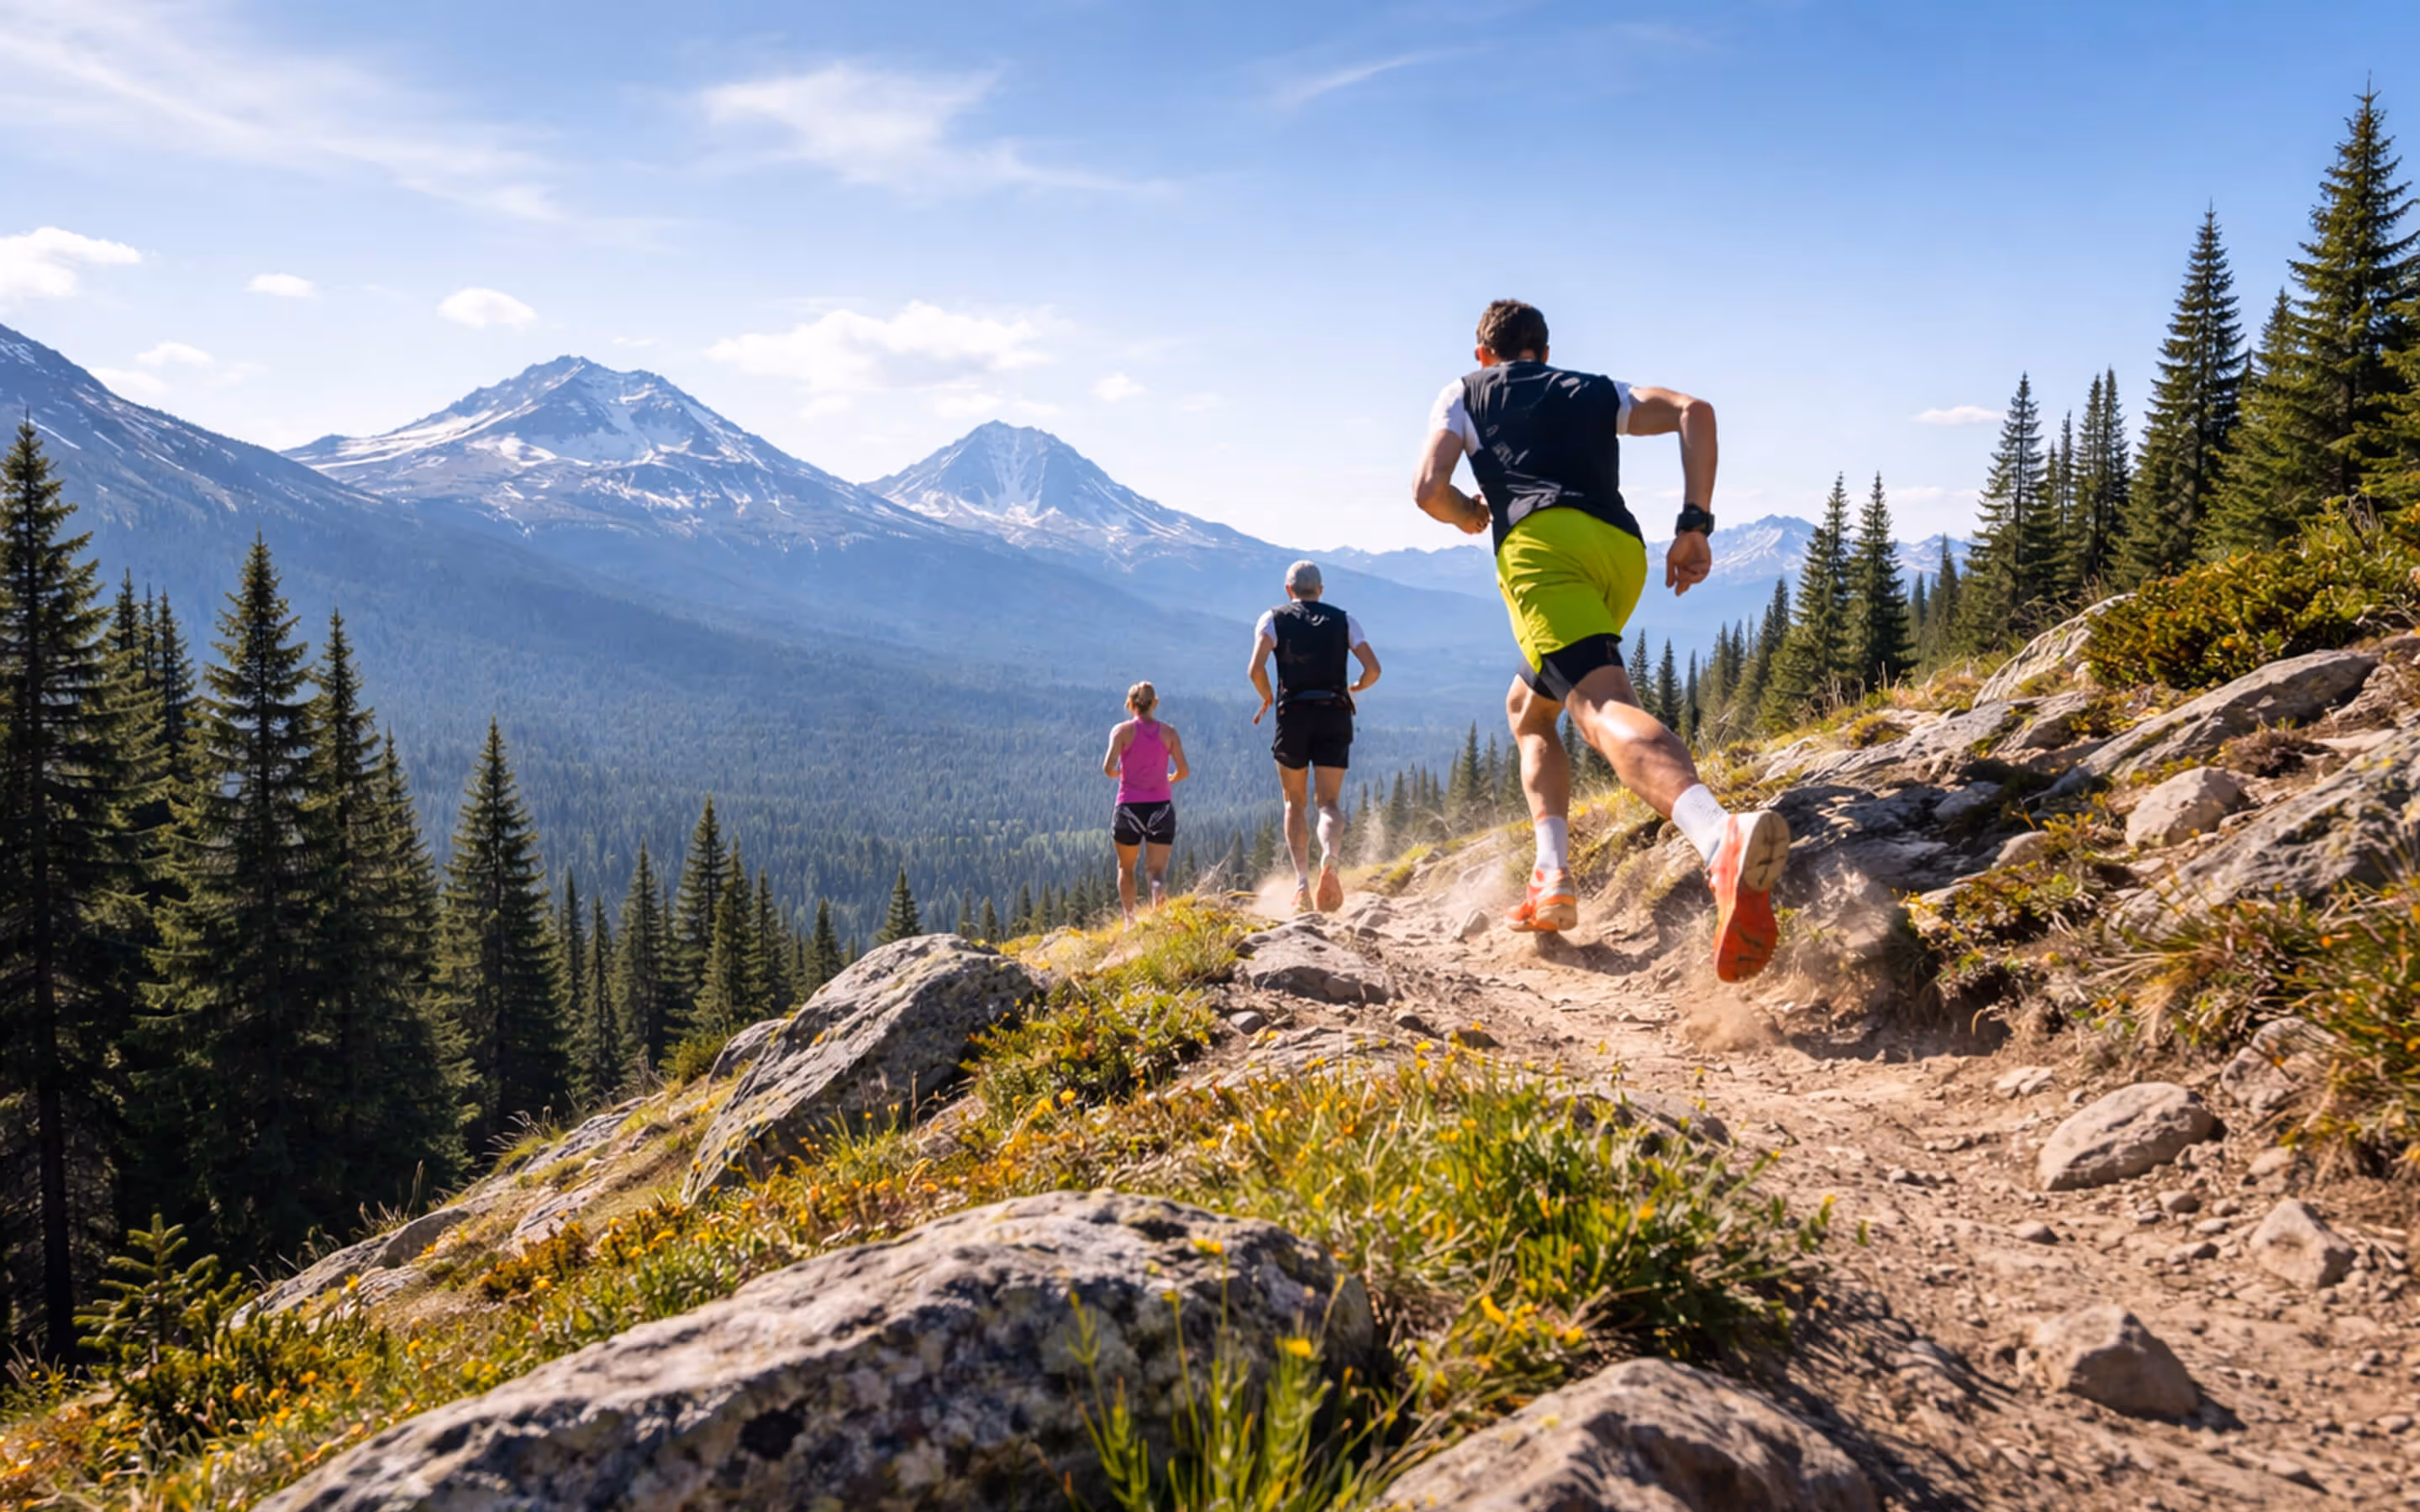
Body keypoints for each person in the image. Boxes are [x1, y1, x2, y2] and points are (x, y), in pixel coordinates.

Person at [1412, 298, 1790, 983]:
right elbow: (1692, 410)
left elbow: (1427, 487)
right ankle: (1551, 875)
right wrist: (1695, 523)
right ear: (1545, 352)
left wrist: (1469, 514)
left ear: (1483, 354)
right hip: (1620, 553)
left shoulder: (1465, 391)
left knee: (1597, 705)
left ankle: (1717, 836)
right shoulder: (1591, 390)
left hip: (1542, 551)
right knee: (1529, 710)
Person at [1249, 561, 1380, 914]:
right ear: (1320, 591)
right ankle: (1330, 860)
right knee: (1329, 803)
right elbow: (1374, 669)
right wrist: (1354, 687)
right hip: (1335, 712)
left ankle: (1302, 886)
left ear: (1289, 590)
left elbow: (1256, 668)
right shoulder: (1345, 620)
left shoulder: (1273, 619)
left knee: (1294, 802)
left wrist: (1266, 697)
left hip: (1292, 715)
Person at [1102, 680, 1189, 924]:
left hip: (1128, 808)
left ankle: (1130, 921)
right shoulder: (1169, 733)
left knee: (1126, 868)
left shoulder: (1121, 732)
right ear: (1155, 703)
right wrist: (1169, 778)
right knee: (1157, 871)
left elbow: (1108, 768)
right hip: (1160, 808)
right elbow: (1183, 771)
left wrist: (1120, 774)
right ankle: (1159, 915)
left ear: (1130, 704)